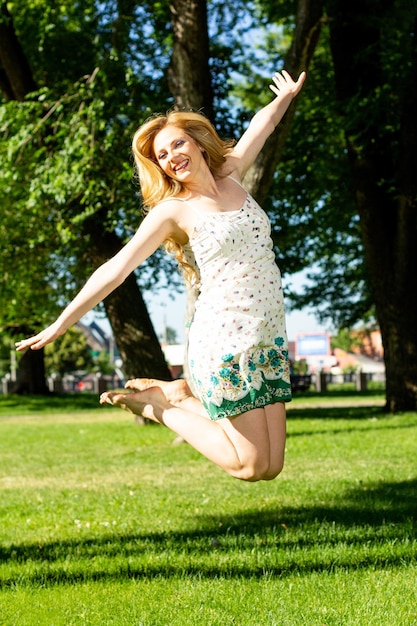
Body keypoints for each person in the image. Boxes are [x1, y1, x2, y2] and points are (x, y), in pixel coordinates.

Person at [16, 69, 306, 482]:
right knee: (249, 465)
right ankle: (160, 407)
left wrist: (285, 98)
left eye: (177, 144)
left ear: (197, 142)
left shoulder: (233, 176)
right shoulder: (173, 211)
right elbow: (117, 268)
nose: (172, 157)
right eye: (162, 156)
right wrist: (62, 323)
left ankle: (177, 393)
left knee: (271, 467)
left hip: (267, 330)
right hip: (223, 336)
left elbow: (263, 126)